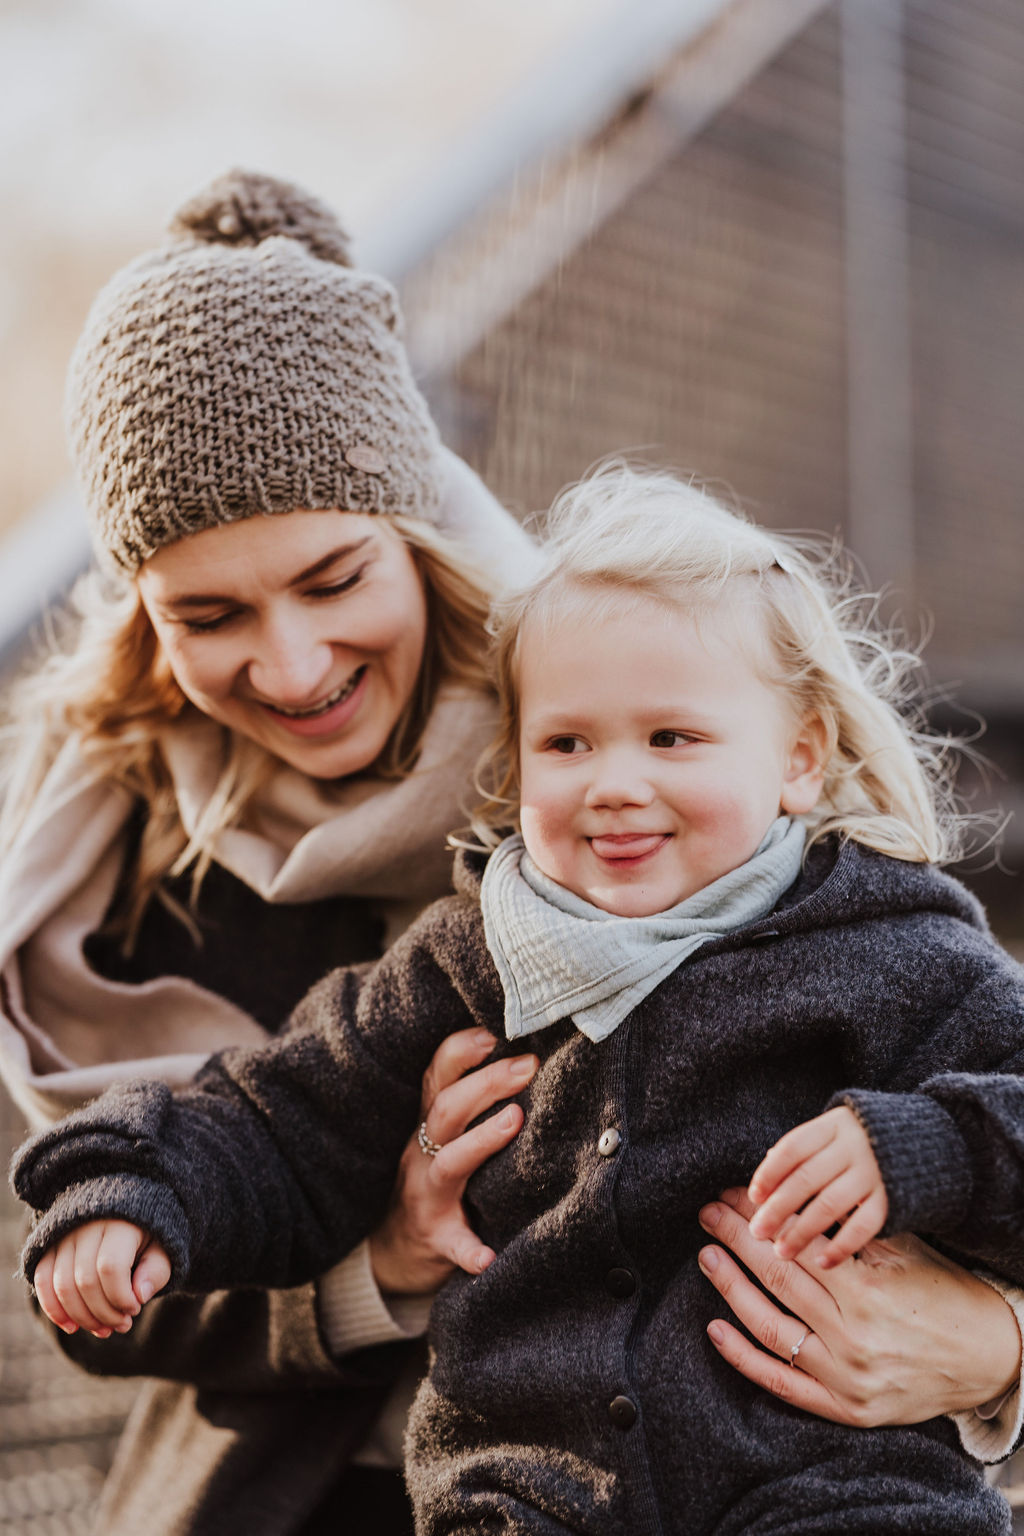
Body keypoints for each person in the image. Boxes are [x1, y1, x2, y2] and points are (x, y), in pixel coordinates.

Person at [16, 466, 1024, 1534]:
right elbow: (274, 1118)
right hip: (531, 1491)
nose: (614, 783)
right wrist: (129, 1190)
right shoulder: (469, 958)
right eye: (567, 743)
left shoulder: (893, 946)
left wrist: (924, 1149)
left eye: (671, 738)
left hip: (828, 1482)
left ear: (799, 759)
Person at [0, 168, 545, 1536]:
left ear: (417, 536)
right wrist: (382, 1267)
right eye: (209, 615)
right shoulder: (119, 837)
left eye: (333, 579)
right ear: (140, 615)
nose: (290, 667)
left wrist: (989, 1345)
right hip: (272, 1493)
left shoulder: (617, 757)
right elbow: (111, 1302)